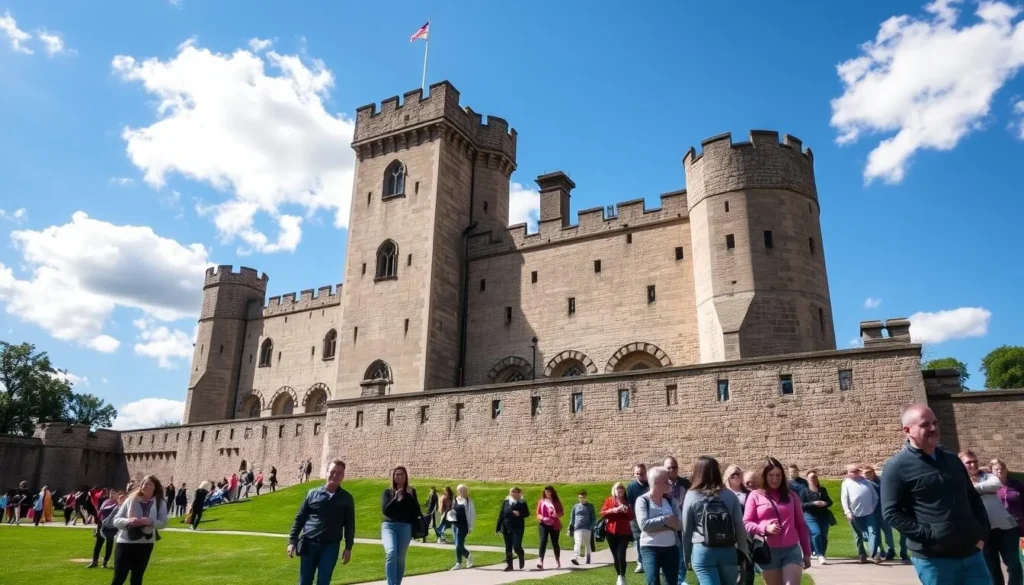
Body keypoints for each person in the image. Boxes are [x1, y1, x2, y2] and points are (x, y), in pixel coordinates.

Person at [881, 404, 991, 585]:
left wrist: (982, 532)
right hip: (934, 560)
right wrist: (930, 536)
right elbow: (891, 513)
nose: (933, 428)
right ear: (907, 430)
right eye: (925, 424)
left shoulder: (952, 459)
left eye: (935, 422)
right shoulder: (897, 466)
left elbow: (972, 497)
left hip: (972, 555)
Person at [743, 457, 811, 585]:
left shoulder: (791, 496)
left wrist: (806, 552)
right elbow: (747, 523)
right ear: (764, 476)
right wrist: (764, 528)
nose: (775, 479)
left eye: (778, 475)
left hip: (791, 550)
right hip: (768, 551)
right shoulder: (755, 495)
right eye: (771, 475)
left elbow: (801, 524)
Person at [681, 456, 748, 585]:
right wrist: (743, 552)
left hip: (703, 549)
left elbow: (686, 529)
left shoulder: (692, 495)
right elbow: (739, 526)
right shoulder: (729, 495)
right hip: (727, 549)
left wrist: (686, 556)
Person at [288, 459, 354, 585]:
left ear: (343, 476)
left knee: (324, 581)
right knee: (304, 581)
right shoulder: (312, 494)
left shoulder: (346, 498)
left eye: (340, 473)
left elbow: (350, 524)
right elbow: (300, 518)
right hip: (309, 543)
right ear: (327, 472)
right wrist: (292, 541)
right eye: (333, 471)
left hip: (331, 546)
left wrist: (348, 547)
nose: (335, 475)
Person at [961, 450, 1021, 585]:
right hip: (983, 531)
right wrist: (983, 490)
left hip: (1006, 527)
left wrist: (972, 490)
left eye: (975, 461)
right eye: (968, 462)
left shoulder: (986, 475)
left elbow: (996, 484)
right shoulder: (958, 480)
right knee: (992, 567)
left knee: (1013, 564)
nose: (973, 464)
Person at [110, 475, 168, 585]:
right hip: (125, 542)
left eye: (149, 484)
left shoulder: (160, 503)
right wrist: (128, 521)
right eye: (143, 483)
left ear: (155, 487)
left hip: (145, 544)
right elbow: (116, 520)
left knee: (137, 578)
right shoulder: (130, 500)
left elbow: (163, 523)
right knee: (119, 577)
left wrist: (150, 522)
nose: (145, 486)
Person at [636, 465, 682, 585]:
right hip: (650, 548)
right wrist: (666, 520)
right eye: (666, 481)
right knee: (653, 581)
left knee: (671, 582)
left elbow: (680, 525)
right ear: (656, 483)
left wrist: (659, 524)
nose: (670, 484)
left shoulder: (671, 501)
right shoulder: (642, 501)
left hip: (671, 548)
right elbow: (644, 525)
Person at [381, 466, 422, 583]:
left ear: (406, 477)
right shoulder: (387, 492)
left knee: (400, 559)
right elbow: (385, 510)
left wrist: (411, 497)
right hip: (389, 526)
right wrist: (395, 498)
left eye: (402, 474)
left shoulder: (411, 491)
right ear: (393, 477)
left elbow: (416, 511)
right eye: (397, 474)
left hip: (405, 527)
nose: (399, 477)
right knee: (391, 552)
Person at [863, 464, 907, 562]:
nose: (866, 475)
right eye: (865, 473)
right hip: (871, 512)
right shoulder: (864, 483)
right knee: (873, 534)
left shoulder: (881, 481)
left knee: (887, 533)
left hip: (883, 510)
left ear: (873, 472)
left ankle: (890, 552)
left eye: (868, 472)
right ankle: (880, 552)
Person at [991, 458, 1023, 585]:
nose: (999, 471)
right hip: (993, 529)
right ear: (991, 471)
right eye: (996, 469)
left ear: (1006, 470)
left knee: (1014, 562)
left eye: (1002, 468)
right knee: (993, 565)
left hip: (1015, 527)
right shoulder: (987, 486)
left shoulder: (1015, 484)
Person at [841, 464, 881, 563]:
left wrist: (872, 507)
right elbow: (844, 499)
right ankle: (862, 555)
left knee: (873, 533)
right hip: (854, 514)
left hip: (869, 513)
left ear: (858, 472)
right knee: (858, 535)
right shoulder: (846, 483)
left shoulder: (867, 482)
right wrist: (847, 512)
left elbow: (875, 497)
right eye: (851, 471)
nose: (853, 473)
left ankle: (874, 554)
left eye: (855, 471)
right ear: (848, 473)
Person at [602, 482, 635, 585]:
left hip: (623, 532)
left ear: (624, 491)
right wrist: (614, 510)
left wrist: (626, 510)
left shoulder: (627, 501)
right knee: (615, 556)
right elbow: (603, 513)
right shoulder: (609, 500)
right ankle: (619, 575)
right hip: (610, 532)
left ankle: (623, 576)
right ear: (614, 491)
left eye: (621, 489)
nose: (619, 491)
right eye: (617, 489)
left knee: (621, 555)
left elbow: (631, 517)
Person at [665, 456, 692, 585]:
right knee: (669, 554)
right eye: (669, 467)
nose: (672, 470)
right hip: (667, 524)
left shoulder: (686, 484)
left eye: (674, 467)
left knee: (682, 552)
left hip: (684, 523)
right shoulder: (661, 484)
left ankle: (681, 578)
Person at [799, 469, 834, 565]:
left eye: (814, 477)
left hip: (823, 516)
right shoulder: (804, 491)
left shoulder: (822, 490)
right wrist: (813, 503)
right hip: (810, 516)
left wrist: (824, 503)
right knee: (816, 533)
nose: (813, 479)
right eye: (811, 478)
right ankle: (819, 554)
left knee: (823, 535)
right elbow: (801, 505)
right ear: (807, 479)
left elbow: (830, 502)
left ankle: (822, 552)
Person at [496, 487, 528, 571]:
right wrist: (498, 527)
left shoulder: (522, 502)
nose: (513, 493)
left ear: (519, 493)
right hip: (506, 527)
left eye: (515, 492)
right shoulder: (506, 502)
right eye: (512, 492)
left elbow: (527, 513)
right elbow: (501, 514)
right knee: (508, 546)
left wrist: (520, 513)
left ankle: (521, 554)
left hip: (518, 527)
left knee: (517, 546)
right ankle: (509, 564)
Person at [88, 490, 123, 569]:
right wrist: (98, 526)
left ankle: (105, 562)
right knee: (98, 544)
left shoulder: (118, 504)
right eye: (111, 493)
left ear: (118, 495)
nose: (112, 495)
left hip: (112, 527)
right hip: (102, 525)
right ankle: (94, 561)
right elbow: (100, 513)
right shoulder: (106, 501)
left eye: (114, 493)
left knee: (109, 545)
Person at [627, 463, 650, 574]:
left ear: (645, 473)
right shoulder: (631, 486)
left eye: (641, 473)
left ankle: (651, 562)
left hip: (650, 517)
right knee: (639, 541)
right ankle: (641, 562)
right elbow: (630, 504)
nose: (639, 476)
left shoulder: (650, 484)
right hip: (636, 519)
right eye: (637, 474)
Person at [536, 485, 565, 570]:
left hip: (554, 524)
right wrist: (541, 518)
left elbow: (561, 512)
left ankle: (557, 560)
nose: (547, 493)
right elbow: (538, 513)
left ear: (552, 492)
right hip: (543, 523)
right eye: (545, 492)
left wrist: (557, 515)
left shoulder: (556, 501)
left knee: (555, 543)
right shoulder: (542, 501)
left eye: (548, 491)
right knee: (543, 541)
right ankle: (540, 560)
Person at [450, 484, 476, 571]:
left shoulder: (468, 501)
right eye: (460, 490)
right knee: (457, 545)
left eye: (463, 490)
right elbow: (452, 511)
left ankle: (467, 555)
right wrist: (451, 517)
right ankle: (459, 563)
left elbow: (472, 514)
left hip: (463, 526)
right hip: (455, 525)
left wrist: (470, 527)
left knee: (459, 545)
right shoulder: (455, 500)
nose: (462, 492)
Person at [569, 489, 596, 565]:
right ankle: (575, 556)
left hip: (587, 528)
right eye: (580, 497)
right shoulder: (575, 507)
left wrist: (591, 526)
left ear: (586, 497)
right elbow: (572, 517)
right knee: (578, 542)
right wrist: (571, 527)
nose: (582, 499)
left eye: (583, 497)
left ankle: (588, 557)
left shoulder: (590, 506)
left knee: (587, 544)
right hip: (577, 527)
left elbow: (593, 518)